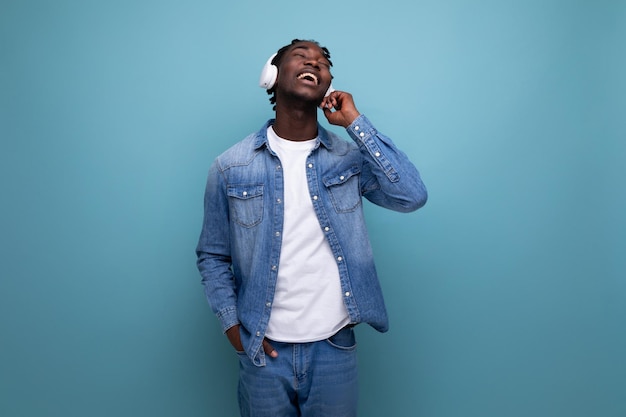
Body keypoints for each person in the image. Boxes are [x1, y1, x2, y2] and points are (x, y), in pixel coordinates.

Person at [196, 39, 427, 417]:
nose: (314, 63)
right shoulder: (231, 166)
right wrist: (232, 328)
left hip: (334, 347)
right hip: (263, 354)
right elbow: (212, 254)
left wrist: (355, 123)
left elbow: (411, 196)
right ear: (271, 75)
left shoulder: (348, 158)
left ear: (328, 84)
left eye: (322, 62)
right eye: (301, 57)